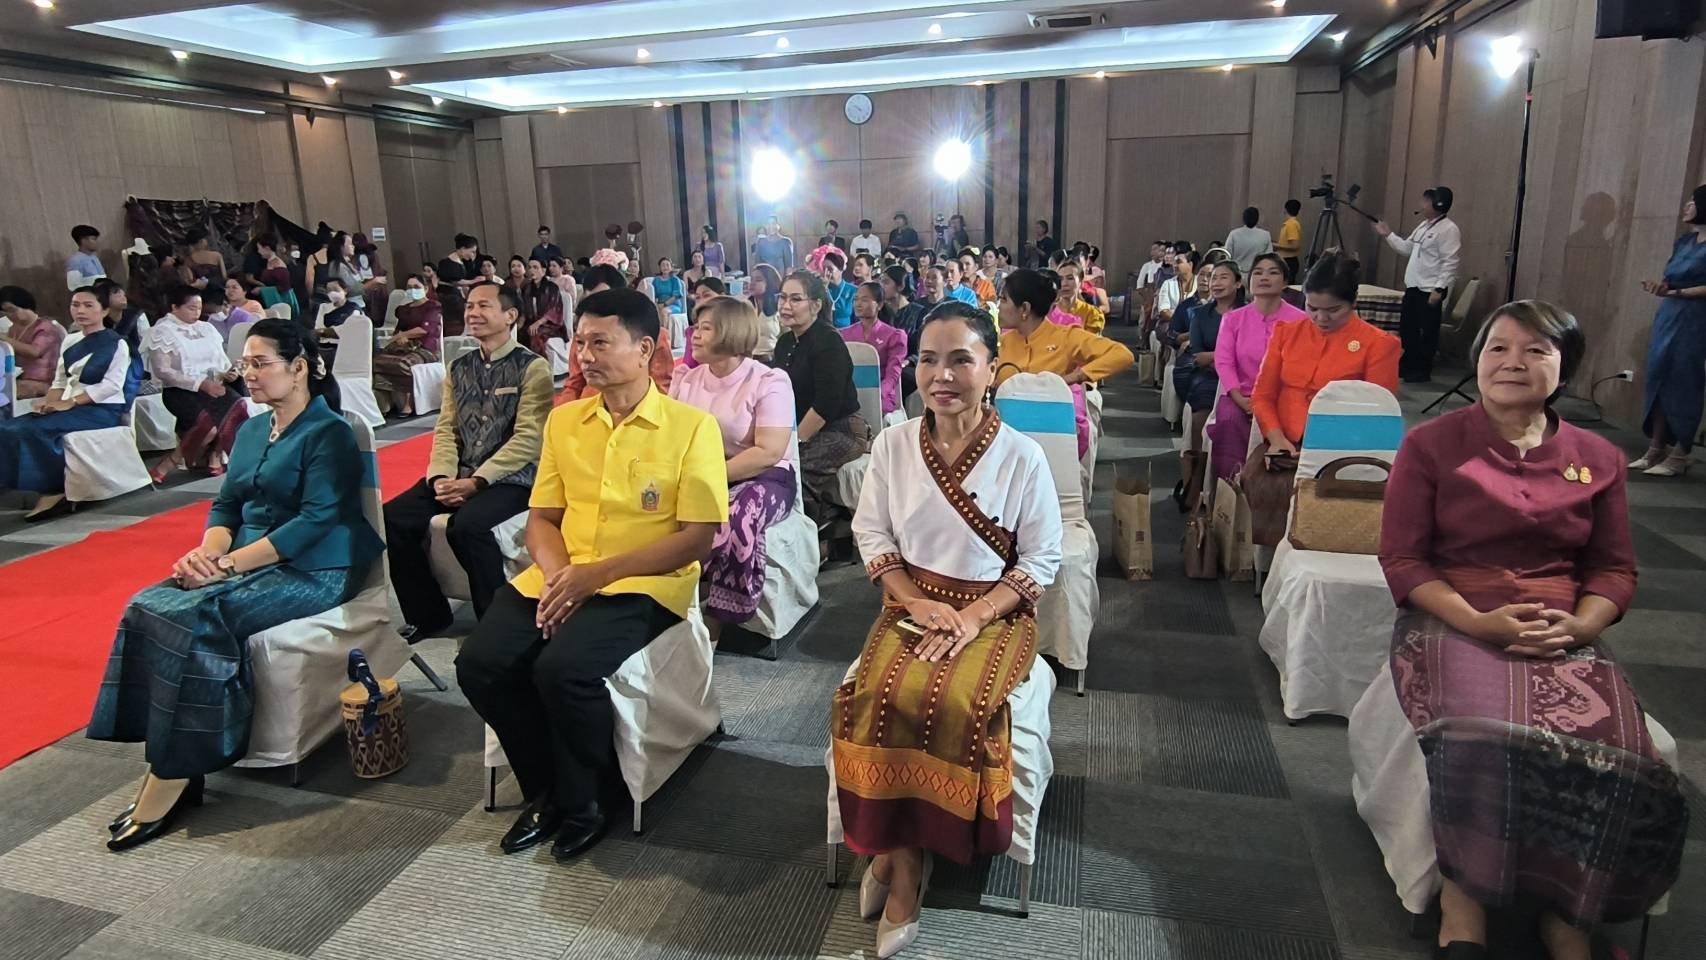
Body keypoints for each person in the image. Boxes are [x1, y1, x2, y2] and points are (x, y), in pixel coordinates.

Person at [1378, 300, 1688, 960]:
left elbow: (1613, 569)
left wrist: (1579, 625)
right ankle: (1463, 904)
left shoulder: (1597, 457)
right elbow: (1403, 560)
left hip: (1560, 626)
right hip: (1450, 616)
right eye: (1498, 348)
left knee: (1621, 750)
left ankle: (1569, 912)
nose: (1512, 362)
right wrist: (1478, 621)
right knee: (1478, 736)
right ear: (1477, 361)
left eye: (1535, 351)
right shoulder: (1430, 444)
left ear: (1564, 368)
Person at [457, 287, 727, 862]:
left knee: (563, 669)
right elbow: (542, 520)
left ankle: (588, 802)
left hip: (644, 581)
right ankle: (547, 791)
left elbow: (696, 539)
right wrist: (562, 579)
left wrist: (595, 577)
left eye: (600, 343)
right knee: (480, 663)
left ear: (645, 349)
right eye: (580, 342)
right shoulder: (566, 423)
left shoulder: (690, 427)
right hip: (561, 574)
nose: (584, 355)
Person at [87, 318, 376, 852]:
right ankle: (174, 759)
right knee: (145, 604)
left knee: (196, 617)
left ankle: (175, 773)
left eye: (261, 364)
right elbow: (226, 505)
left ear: (299, 368)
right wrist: (208, 554)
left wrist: (227, 566)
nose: (249, 374)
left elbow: (315, 522)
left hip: (315, 570)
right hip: (246, 559)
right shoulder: (250, 428)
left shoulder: (329, 431)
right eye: (245, 364)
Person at [834, 299, 1063, 960]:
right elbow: (872, 533)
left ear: (992, 367)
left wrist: (974, 615)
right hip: (912, 604)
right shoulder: (893, 444)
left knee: (952, 701)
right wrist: (910, 600)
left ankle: (911, 855)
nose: (942, 375)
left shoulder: (1021, 456)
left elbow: (1042, 559)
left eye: (961, 359)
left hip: (994, 612)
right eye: (929, 359)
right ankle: (902, 862)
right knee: (877, 695)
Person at [384, 282, 551, 636]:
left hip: (513, 478)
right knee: (394, 518)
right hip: (460, 471)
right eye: (470, 306)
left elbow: (528, 439)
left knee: (469, 526)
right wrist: (440, 478)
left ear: (510, 316)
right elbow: (447, 428)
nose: (473, 313)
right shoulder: (459, 367)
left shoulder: (532, 367)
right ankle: (427, 614)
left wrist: (478, 481)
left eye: (484, 306)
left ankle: (495, 622)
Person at [1246, 252, 1399, 544]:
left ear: (1354, 303)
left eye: (1333, 310)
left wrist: (1322, 452)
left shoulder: (1379, 345)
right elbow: (1263, 395)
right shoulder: (1286, 333)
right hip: (1284, 443)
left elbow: (1378, 416)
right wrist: (1276, 438)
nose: (1320, 318)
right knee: (1267, 497)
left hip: (1343, 449)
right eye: (1312, 308)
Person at [669, 295, 797, 635]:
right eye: (696, 327)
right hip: (699, 473)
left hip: (764, 477)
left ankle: (718, 620)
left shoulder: (768, 381)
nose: (694, 335)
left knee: (739, 511)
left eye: (706, 328)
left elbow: (769, 451)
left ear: (732, 332)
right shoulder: (686, 379)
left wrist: (707, 477)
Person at [0, 286, 141, 520]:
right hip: (69, 406)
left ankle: (55, 489)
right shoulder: (71, 340)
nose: (80, 311)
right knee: (7, 428)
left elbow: (111, 386)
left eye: (88, 305)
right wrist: (48, 403)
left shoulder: (117, 343)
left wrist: (72, 402)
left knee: (33, 430)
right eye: (76, 305)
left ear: (104, 310)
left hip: (101, 410)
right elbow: (60, 380)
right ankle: (18, 485)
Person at [999, 268, 1134, 456]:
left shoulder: (1065, 337)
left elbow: (1122, 355)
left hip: (1052, 433)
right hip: (1009, 436)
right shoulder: (1001, 343)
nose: (998, 306)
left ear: (1025, 309)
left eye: (1004, 300)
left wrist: (1074, 377)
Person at [771, 270, 866, 521]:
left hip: (841, 430)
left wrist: (793, 444)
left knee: (793, 467)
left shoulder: (828, 342)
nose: (785, 305)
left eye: (795, 299)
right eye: (782, 297)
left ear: (816, 305)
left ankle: (815, 530)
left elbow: (826, 405)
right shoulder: (784, 343)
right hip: (797, 429)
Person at [1631, 184, 1706, 478]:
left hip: (1696, 317)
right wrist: (1660, 286)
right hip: (1670, 314)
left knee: (1684, 380)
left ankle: (1681, 452)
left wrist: (1678, 293)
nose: (1687, 206)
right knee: (1659, 376)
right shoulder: (1685, 241)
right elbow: (1671, 278)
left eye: (1693, 201)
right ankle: (1656, 446)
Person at [145, 285, 251, 481]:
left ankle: (215, 455)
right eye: (191, 308)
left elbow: (220, 361)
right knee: (208, 426)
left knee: (236, 408)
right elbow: (163, 371)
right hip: (181, 390)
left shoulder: (207, 328)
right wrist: (200, 384)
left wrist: (228, 373)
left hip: (214, 385)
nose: (196, 313)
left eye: (199, 308)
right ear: (175, 307)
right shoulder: (162, 331)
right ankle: (171, 461)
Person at [1212, 255, 1303, 481]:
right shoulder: (1233, 319)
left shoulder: (1301, 321)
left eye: (1273, 272)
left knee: (1294, 428)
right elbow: (1224, 362)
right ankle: (1231, 488)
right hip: (1240, 396)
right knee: (1229, 422)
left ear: (1285, 282)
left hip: (1283, 400)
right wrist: (1239, 398)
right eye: (1258, 272)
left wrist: (1268, 404)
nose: (1264, 277)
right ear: (1249, 280)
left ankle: (1275, 491)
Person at [1375, 186, 1462, 383]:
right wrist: (1388, 235)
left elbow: (1450, 261)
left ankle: (1422, 370)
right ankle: (1408, 366)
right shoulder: (1423, 226)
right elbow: (1407, 249)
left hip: (1430, 288)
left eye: (1426, 201)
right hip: (1414, 285)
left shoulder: (1449, 229)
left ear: (1438, 204)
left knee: (1427, 331)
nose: (1422, 205)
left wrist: (1439, 288)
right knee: (1408, 328)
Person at [561, 265, 675, 400]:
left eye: (604, 299)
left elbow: (661, 385)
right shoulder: (583, 337)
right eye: (590, 300)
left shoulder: (653, 334)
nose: (595, 306)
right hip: (587, 407)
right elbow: (574, 384)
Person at [373, 274, 442, 416]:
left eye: (416, 287)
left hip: (425, 349)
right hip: (403, 347)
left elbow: (424, 330)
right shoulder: (403, 309)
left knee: (403, 364)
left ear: (425, 288)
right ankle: (386, 403)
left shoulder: (432, 307)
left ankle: (407, 403)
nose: (412, 290)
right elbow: (398, 330)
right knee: (376, 361)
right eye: (409, 287)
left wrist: (402, 335)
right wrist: (399, 337)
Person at [840, 281, 907, 417]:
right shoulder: (843, 334)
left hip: (881, 396)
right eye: (856, 299)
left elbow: (893, 373)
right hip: (850, 394)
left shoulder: (894, 335)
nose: (858, 304)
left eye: (864, 300)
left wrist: (878, 394)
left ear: (879, 305)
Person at [0, 286, 65, 399]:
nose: (9, 315)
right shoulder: (13, 329)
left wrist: (3, 338)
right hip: (18, 379)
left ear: (24, 305)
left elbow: (35, 351)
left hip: (42, 383)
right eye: (5, 311)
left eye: (12, 310)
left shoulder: (46, 327)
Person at [882, 265, 927, 402]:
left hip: (908, 365)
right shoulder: (881, 312)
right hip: (884, 363)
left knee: (901, 376)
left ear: (900, 286)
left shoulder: (919, 312)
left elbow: (923, 347)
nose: (881, 286)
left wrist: (908, 361)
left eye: (886, 282)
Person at [519, 257, 568, 355]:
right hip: (531, 323)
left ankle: (540, 362)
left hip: (550, 326)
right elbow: (523, 309)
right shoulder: (526, 288)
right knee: (519, 333)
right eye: (530, 267)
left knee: (536, 334)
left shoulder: (552, 288)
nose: (531, 270)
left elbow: (553, 310)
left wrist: (538, 323)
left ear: (544, 270)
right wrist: (519, 324)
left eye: (535, 267)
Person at [437, 233, 482, 335]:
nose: (472, 255)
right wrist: (473, 281)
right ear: (462, 249)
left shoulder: (462, 261)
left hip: (455, 294)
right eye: (472, 251)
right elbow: (455, 281)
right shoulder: (447, 263)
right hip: (447, 296)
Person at [1052, 262, 1105, 334]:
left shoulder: (1091, 313)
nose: (1064, 283)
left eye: (1070, 278)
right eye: (1060, 279)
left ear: (1080, 281)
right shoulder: (1047, 311)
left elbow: (1088, 339)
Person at [1225, 207, 1274, 276]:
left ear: (1243, 219)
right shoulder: (1265, 235)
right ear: (1257, 219)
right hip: (1257, 273)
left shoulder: (1233, 234)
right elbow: (1269, 257)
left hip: (1237, 273)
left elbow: (1227, 255)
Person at [815, 247, 857, 327]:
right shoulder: (820, 290)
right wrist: (824, 289)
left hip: (847, 332)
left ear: (840, 270)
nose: (826, 273)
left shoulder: (853, 290)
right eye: (824, 269)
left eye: (830, 269)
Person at [67, 224, 106, 289]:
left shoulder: (95, 258)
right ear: (84, 241)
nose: (97, 242)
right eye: (94, 239)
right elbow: (73, 287)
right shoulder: (75, 261)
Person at [1276, 198, 1304, 281]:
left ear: (1285, 210)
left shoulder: (1291, 224)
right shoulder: (1290, 224)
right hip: (1286, 260)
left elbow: (1294, 246)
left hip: (1289, 261)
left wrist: (1277, 246)